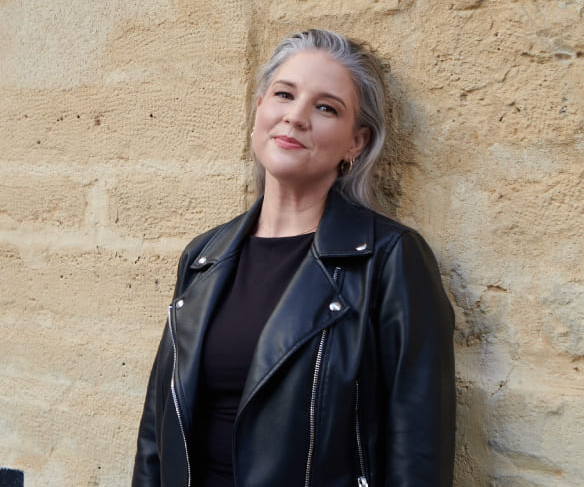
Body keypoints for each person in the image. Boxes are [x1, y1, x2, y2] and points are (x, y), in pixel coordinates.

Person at [132, 29, 455, 487]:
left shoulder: (389, 259)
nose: (296, 117)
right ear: (259, 109)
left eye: (326, 108)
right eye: (284, 94)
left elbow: (418, 453)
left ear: (355, 143)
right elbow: (156, 431)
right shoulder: (204, 257)